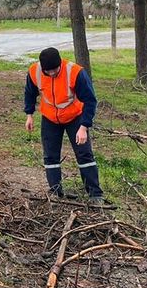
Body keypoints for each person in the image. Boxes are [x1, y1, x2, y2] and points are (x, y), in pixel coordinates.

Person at [24, 47, 104, 203]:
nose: (52, 73)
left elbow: (90, 100)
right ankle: (56, 191)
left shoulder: (75, 72)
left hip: (75, 117)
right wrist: (29, 115)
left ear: (60, 63)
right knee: (50, 156)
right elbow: (29, 93)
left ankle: (95, 194)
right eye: (48, 71)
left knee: (84, 154)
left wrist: (84, 127)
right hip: (50, 118)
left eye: (55, 69)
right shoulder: (34, 71)